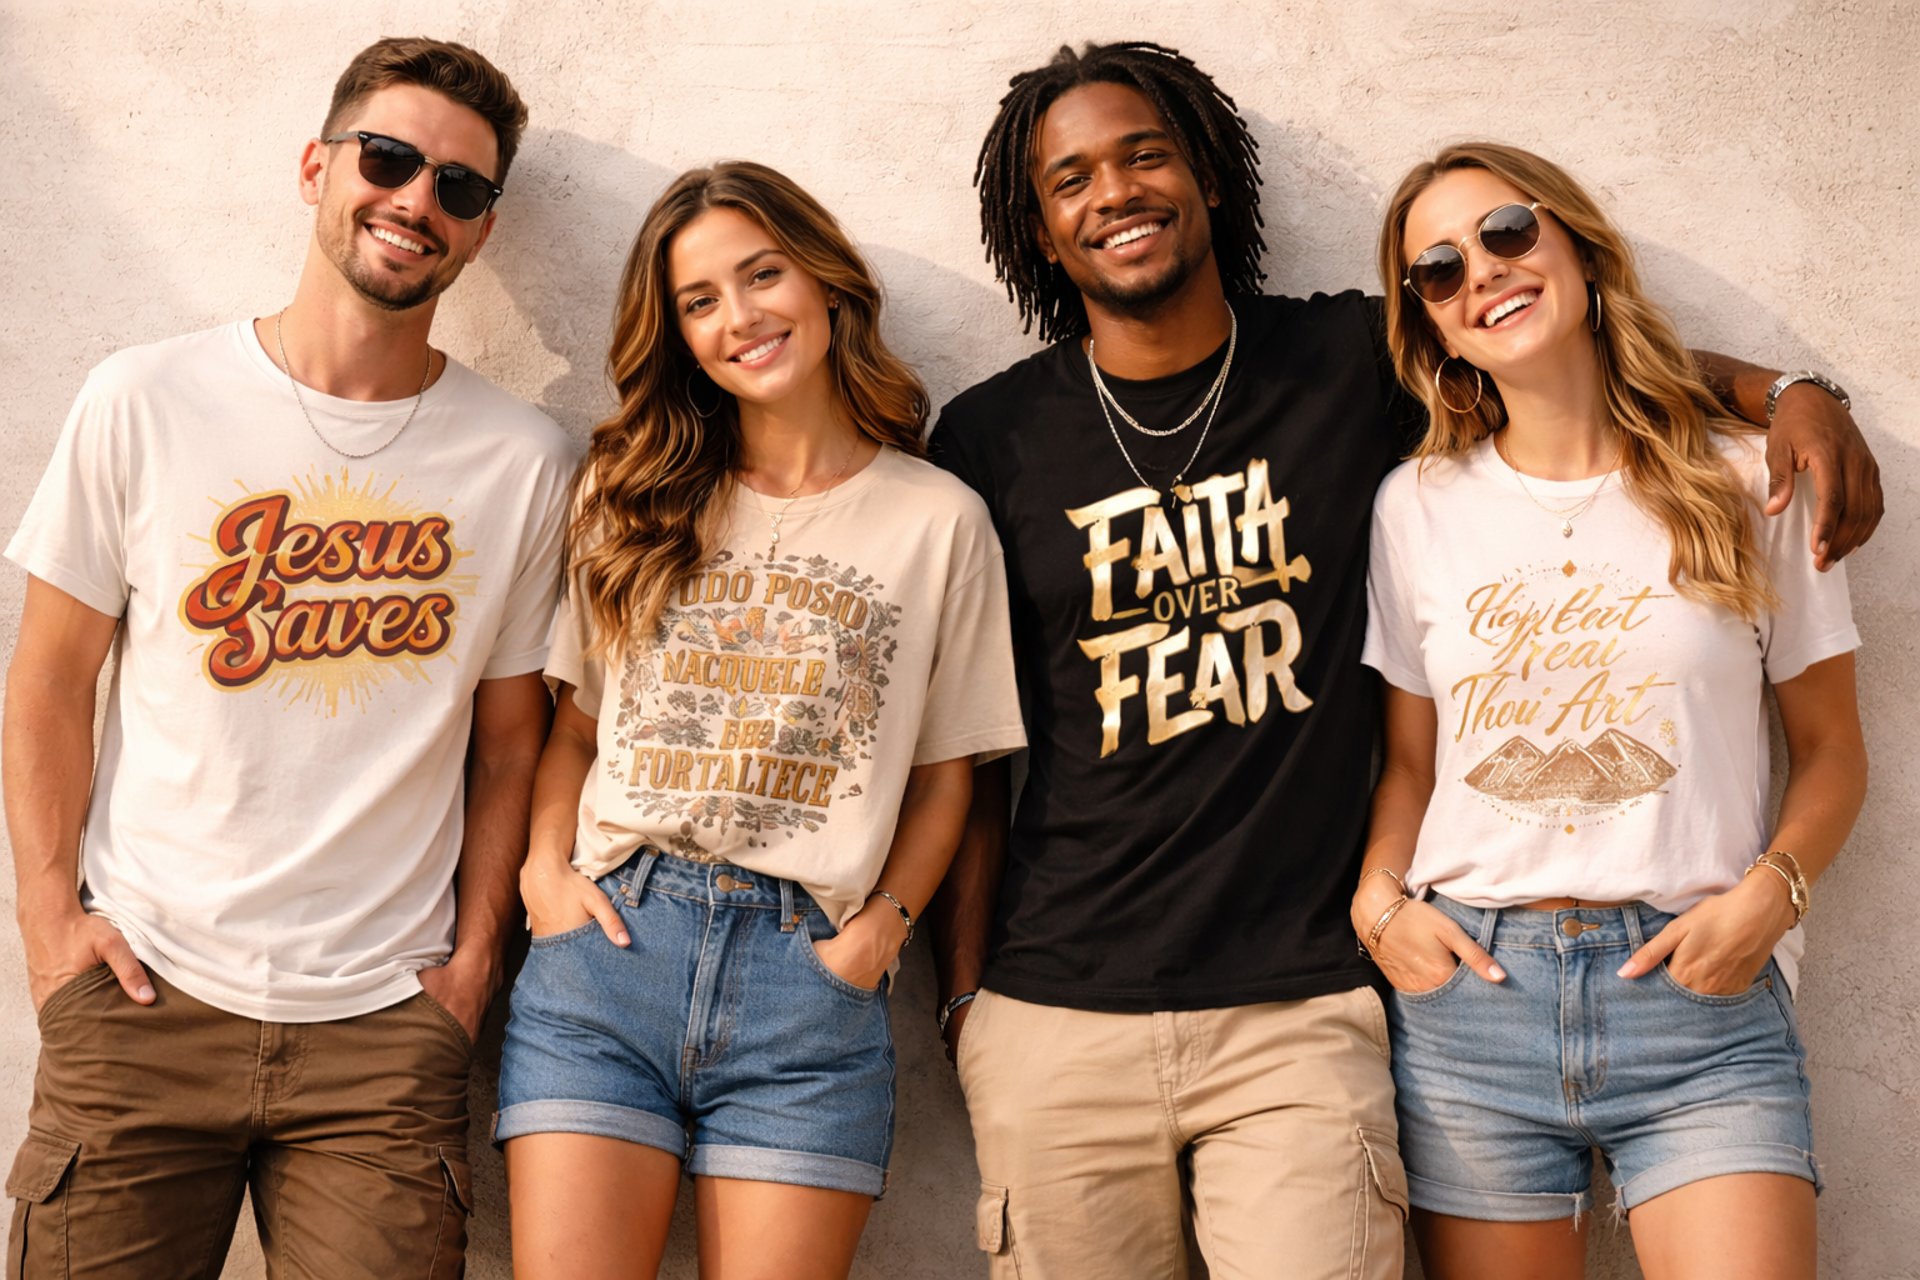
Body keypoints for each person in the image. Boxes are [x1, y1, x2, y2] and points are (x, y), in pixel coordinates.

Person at [925, 40, 1882, 1279]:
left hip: (1306, 1008)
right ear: (1040, 231)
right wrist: (960, 1002)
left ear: (1208, 176)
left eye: (1144, 152)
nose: (1113, 191)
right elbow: (966, 752)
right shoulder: (990, 437)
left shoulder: (1344, 365)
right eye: (1070, 180)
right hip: (1062, 1008)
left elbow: (1549, 348)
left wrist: (1789, 389)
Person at [2, 36, 572, 1276]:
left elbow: (510, 738)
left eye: (459, 188)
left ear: (478, 232)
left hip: (382, 1035)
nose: (417, 199)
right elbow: (48, 679)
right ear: (318, 166)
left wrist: (471, 965)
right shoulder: (143, 398)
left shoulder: (519, 458)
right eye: (389, 158)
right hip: (141, 995)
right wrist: (52, 931)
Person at [495, 160, 1025, 1280]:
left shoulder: (940, 521)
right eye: (700, 300)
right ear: (679, 336)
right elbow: (579, 727)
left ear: (826, 282)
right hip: (608, 957)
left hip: (808, 985)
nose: (740, 317)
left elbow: (948, 773)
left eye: (761, 274)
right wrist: (546, 876)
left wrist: (879, 931)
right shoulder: (629, 491)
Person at [1354, 141, 1865, 1280]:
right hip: (1471, 995)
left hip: (1699, 996)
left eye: (1507, 232)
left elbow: (1832, 751)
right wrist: (1378, 903)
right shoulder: (1416, 506)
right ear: (1429, 324)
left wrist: (1770, 901)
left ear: (1578, 245)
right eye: (1437, 269)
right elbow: (1409, 763)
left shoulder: (1745, 480)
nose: (1480, 272)